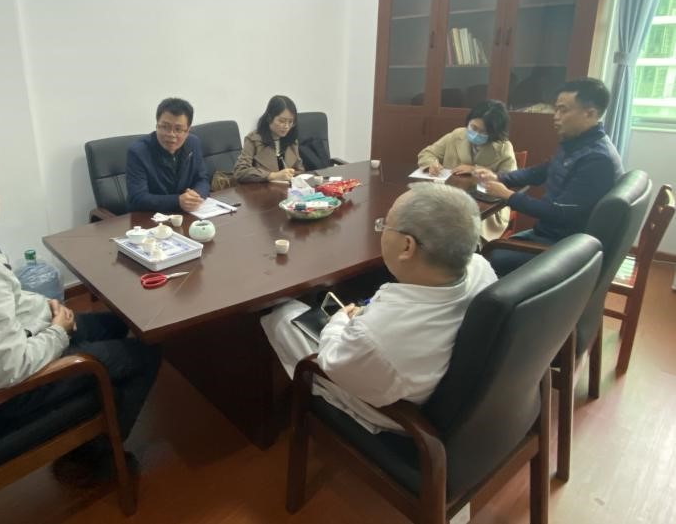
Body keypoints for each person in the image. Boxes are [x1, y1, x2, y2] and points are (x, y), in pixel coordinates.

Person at [0, 150, 161, 479]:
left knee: (115, 323)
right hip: (14, 391)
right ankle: (97, 455)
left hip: (23, 335)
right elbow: (4, 371)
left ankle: (98, 415)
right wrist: (58, 332)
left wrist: (44, 312)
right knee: (145, 354)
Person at [261, 184, 497, 433]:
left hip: (399, 414)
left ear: (407, 246)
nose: (381, 231)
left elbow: (334, 363)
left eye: (385, 225)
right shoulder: (481, 267)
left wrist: (339, 321)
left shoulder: (376, 336)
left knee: (282, 316)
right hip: (442, 387)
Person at [476, 77, 624, 276]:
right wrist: (500, 178)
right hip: (550, 234)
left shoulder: (597, 159)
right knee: (489, 250)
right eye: (556, 109)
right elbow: (541, 171)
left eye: (563, 110)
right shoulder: (577, 144)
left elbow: (558, 213)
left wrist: (508, 195)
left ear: (590, 113)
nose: (556, 116)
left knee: (484, 258)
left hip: (565, 247)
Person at [417, 99, 517, 241]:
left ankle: (465, 252)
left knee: (462, 229)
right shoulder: (457, 135)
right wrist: (431, 164)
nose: (476, 133)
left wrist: (475, 170)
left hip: (486, 206)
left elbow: (509, 180)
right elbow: (427, 153)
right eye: (473, 127)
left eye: (483, 132)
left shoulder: (504, 148)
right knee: (422, 217)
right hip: (449, 196)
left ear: (494, 133)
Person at [126, 97, 210, 213]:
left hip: (186, 214)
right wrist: (178, 201)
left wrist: (194, 196)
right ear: (157, 125)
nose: (171, 134)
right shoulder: (138, 152)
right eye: (165, 127)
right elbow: (138, 197)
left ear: (187, 131)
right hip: (149, 217)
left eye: (178, 129)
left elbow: (202, 179)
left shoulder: (193, 143)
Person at [234, 95, 305, 183]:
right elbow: (240, 171)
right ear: (269, 118)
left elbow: (300, 170)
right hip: (262, 189)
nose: (286, 126)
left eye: (290, 122)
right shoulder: (253, 139)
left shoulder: (291, 140)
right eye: (282, 121)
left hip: (289, 189)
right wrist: (273, 175)